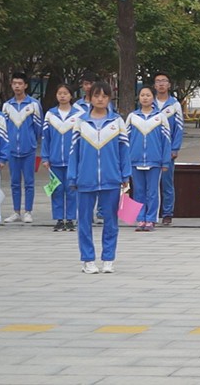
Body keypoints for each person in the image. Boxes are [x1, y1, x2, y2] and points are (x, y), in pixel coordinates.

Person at [67, 82, 130, 274]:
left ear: (109, 98)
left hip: (111, 178)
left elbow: (124, 151)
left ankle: (108, 259)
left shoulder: (117, 122)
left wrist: (125, 174)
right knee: (84, 221)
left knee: (111, 221)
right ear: (90, 97)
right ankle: (88, 259)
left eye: (104, 96)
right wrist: (72, 176)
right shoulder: (80, 122)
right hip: (85, 179)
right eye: (96, 95)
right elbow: (74, 152)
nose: (100, 99)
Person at [127, 86, 171, 232]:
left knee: (152, 192)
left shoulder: (160, 117)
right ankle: (140, 219)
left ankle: (151, 219)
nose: (145, 98)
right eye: (142, 95)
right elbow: (125, 140)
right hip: (135, 161)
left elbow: (166, 141)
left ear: (153, 98)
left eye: (148, 95)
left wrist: (165, 161)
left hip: (154, 161)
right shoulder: (132, 117)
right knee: (138, 191)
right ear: (138, 98)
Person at [41, 84, 82, 231]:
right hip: (55, 160)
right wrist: (45, 157)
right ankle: (59, 219)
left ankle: (70, 219)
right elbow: (45, 138)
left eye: (65, 93)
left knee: (71, 189)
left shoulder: (79, 115)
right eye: (60, 93)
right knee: (56, 190)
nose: (62, 96)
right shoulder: (50, 115)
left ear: (71, 95)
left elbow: (82, 139)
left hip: (73, 161)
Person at [2, 72, 42, 224]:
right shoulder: (7, 106)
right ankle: (16, 211)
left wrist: (31, 141)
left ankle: (28, 211)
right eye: (14, 83)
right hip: (12, 150)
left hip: (28, 150)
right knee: (14, 182)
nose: (17, 86)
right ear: (11, 85)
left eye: (20, 83)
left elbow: (38, 128)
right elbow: (4, 128)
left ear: (25, 85)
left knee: (29, 182)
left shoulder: (33, 105)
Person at [153, 72, 184, 226]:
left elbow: (179, 128)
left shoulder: (174, 105)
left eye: (164, 81)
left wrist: (175, 148)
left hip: (168, 151)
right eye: (158, 81)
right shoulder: (149, 103)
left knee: (167, 183)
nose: (161, 84)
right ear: (154, 85)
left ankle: (167, 213)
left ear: (169, 85)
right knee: (150, 185)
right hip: (151, 151)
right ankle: (149, 214)